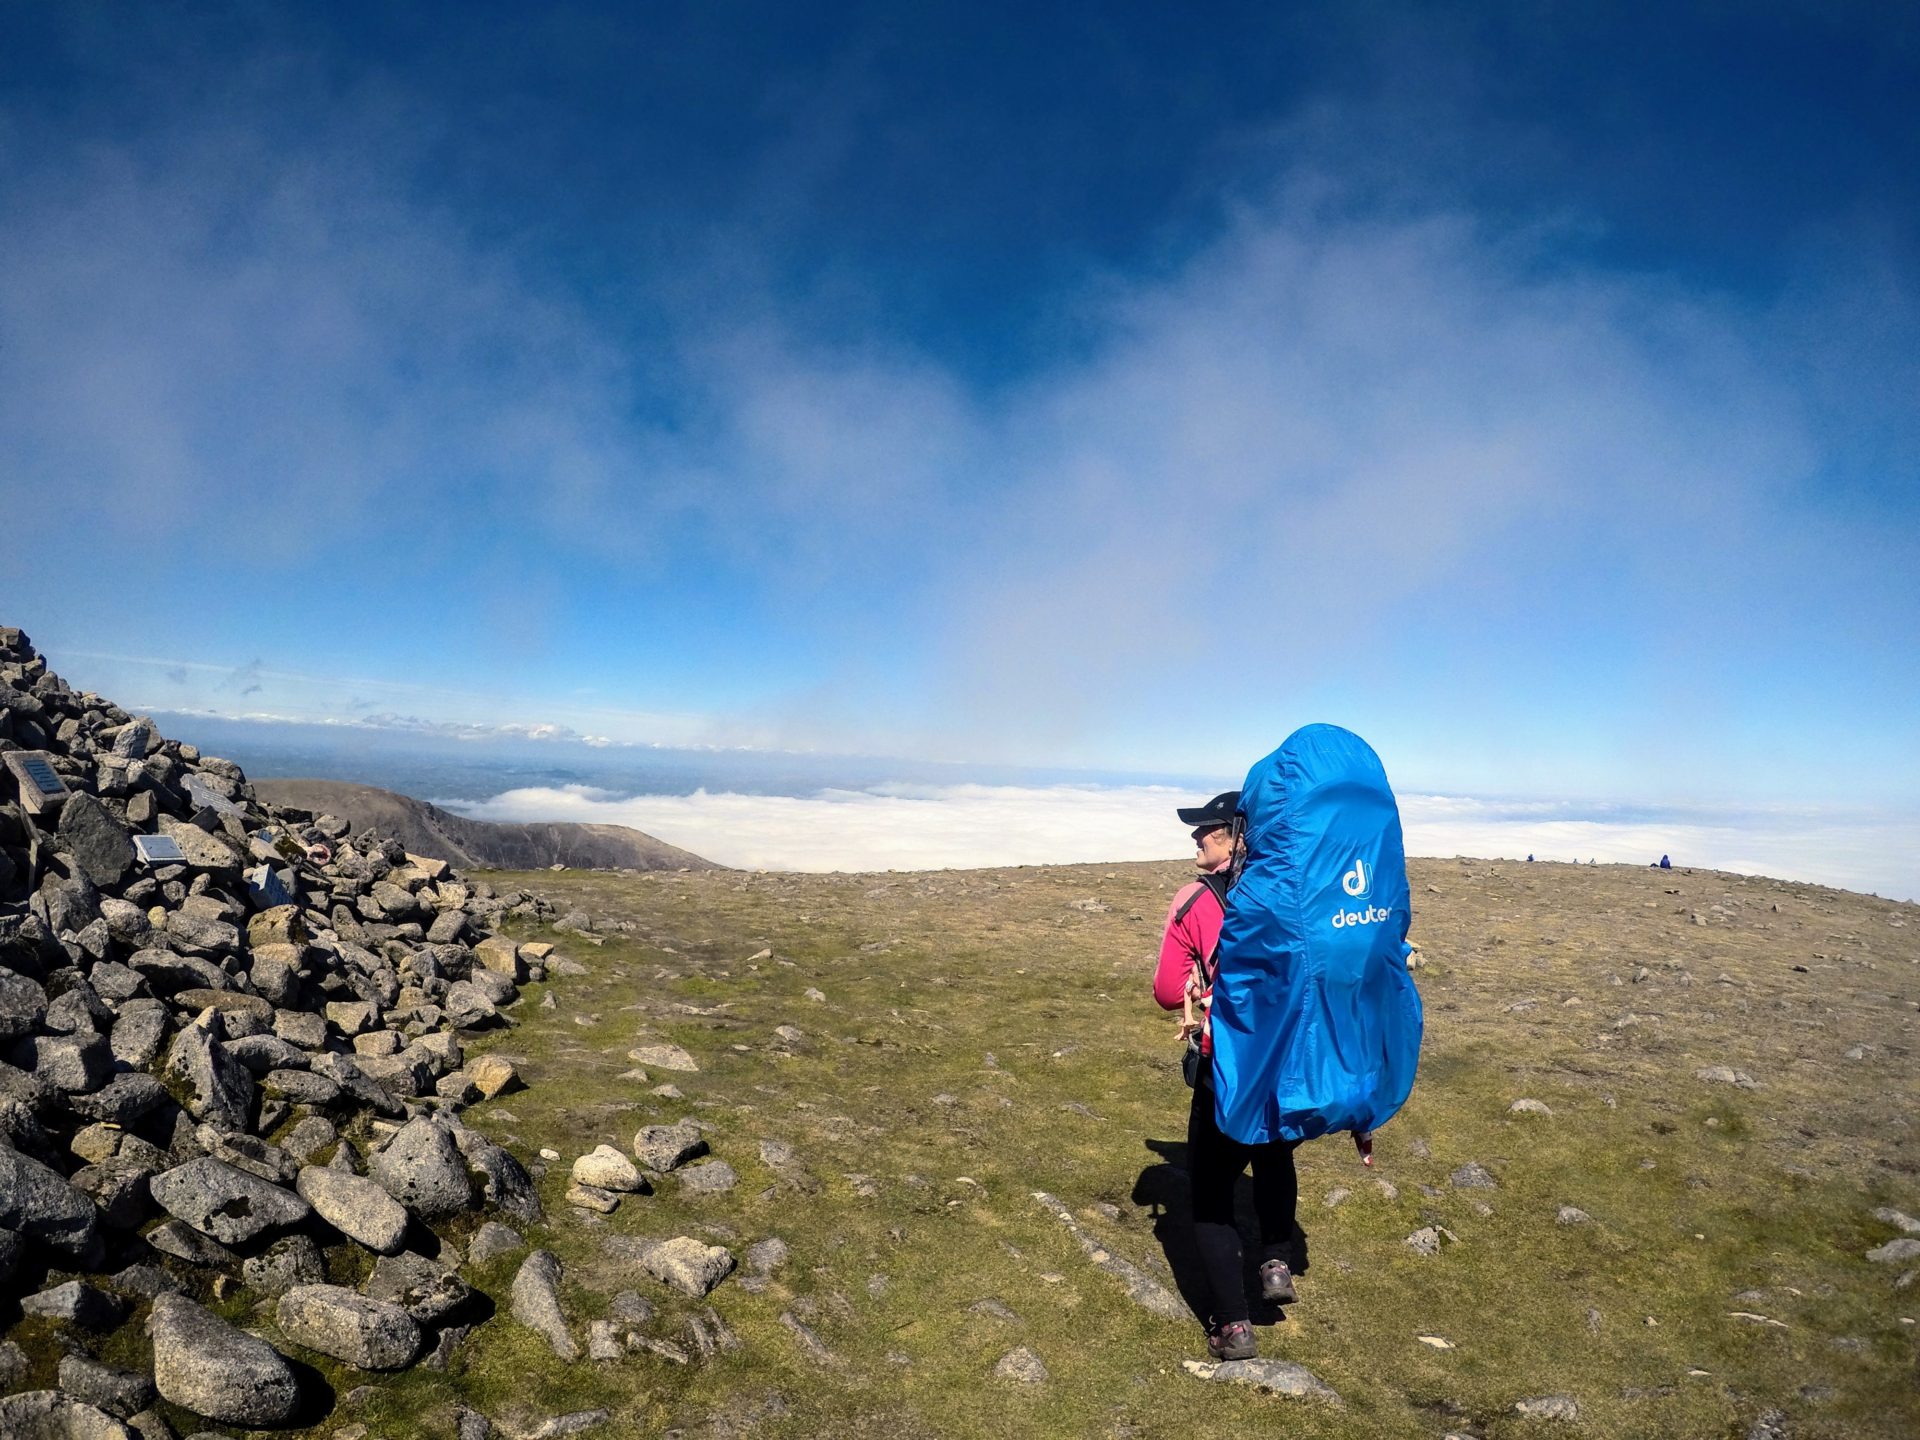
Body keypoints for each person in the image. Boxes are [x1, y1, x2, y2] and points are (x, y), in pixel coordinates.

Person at [1151, 789, 1301, 1362]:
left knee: (1211, 1194)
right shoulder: (1295, 891)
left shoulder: (1193, 900)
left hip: (1228, 1062)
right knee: (1273, 1153)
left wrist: (1194, 982)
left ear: (1238, 837)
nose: (1196, 839)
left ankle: (1233, 1327)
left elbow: (1168, 993)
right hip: (1285, 1056)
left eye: (1208, 830)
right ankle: (1275, 1261)